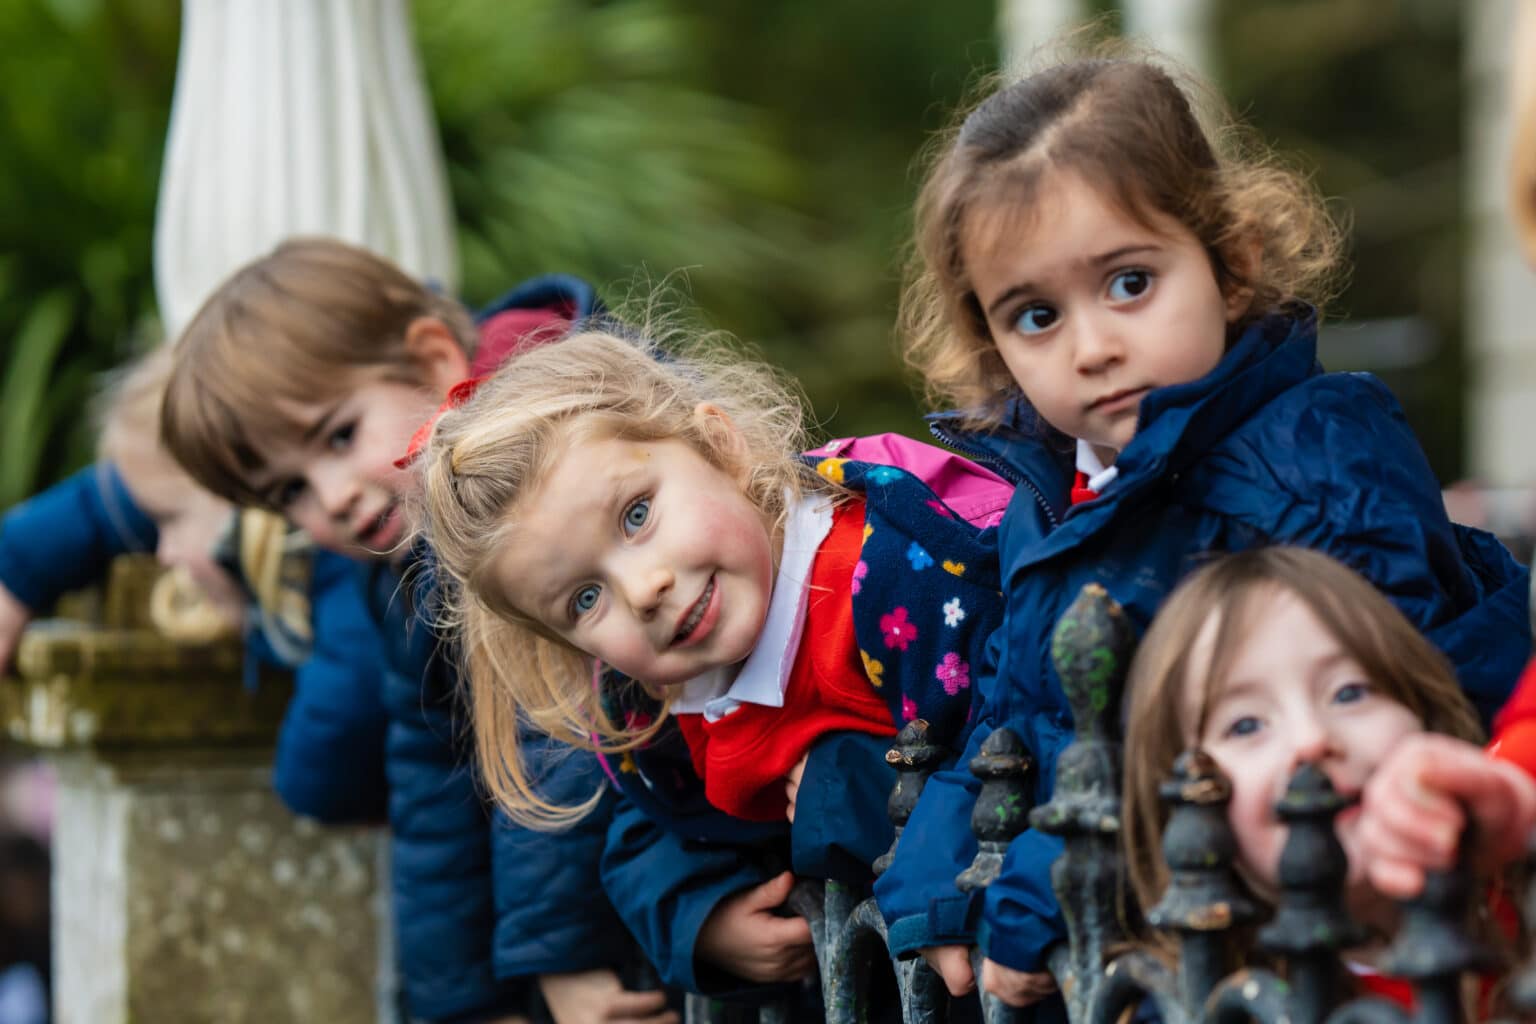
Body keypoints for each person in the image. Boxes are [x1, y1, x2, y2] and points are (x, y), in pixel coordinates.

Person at [874, 51, 1532, 1010]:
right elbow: (1006, 721)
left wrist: (1034, 898)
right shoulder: (1045, 507)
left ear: (1232, 265)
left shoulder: (1315, 461)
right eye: (1037, 315)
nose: (1093, 345)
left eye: (1130, 283)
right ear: (992, 340)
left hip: (1328, 938)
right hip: (1144, 954)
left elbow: (1399, 707)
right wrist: (937, 892)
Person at [159, 238, 672, 1024]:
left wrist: (563, 960)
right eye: (288, 490)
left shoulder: (560, 456)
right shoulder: (398, 573)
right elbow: (434, 796)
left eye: (337, 436)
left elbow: (565, 728)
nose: (328, 498)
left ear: (434, 357)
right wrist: (463, 1006)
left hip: (692, 868)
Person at [414, 326, 1013, 996]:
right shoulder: (655, 703)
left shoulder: (894, 577)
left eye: (636, 515)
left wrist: (843, 793)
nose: (643, 590)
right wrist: (699, 917)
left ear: (720, 447)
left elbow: (1023, 755)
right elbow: (649, 826)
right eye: (586, 599)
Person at [1122, 547, 1536, 1012]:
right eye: (1246, 725)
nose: (1312, 740)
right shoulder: (1201, 1006)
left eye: (1349, 692)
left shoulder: (1521, 895)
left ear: (1423, 713)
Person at [0, 345, 390, 824]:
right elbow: (118, 500)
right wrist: (13, 568)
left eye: (168, 523)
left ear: (241, 501)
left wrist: (254, 627)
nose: (161, 552)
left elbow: (321, 775)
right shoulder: (268, 531)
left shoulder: (348, 599)